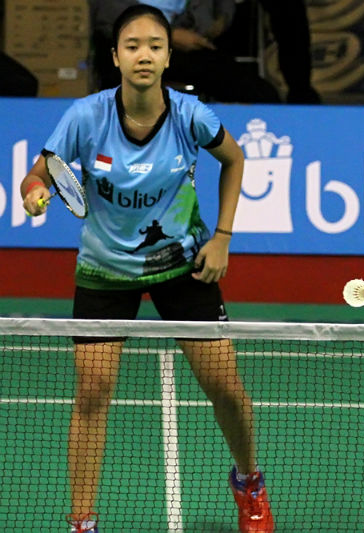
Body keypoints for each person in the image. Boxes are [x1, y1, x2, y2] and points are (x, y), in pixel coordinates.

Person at [20, 5, 273, 533]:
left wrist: (223, 238)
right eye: (132, 45)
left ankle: (249, 482)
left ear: (168, 56)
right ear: (115, 57)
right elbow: (37, 175)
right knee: (92, 392)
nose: (144, 55)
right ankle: (82, 522)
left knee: (226, 387)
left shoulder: (189, 115)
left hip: (182, 264)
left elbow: (234, 159)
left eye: (155, 46)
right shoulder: (86, 117)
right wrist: (35, 193)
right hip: (104, 270)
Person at [90, 0, 319, 104]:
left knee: (262, 96)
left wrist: (221, 18)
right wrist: (169, 34)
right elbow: (107, 16)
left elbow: (221, 7)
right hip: (131, 46)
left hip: (187, 47)